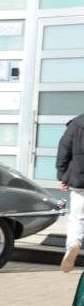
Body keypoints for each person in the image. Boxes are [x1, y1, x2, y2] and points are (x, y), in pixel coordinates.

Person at [57, 112, 84, 272]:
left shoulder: (76, 124)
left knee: (77, 218)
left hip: (79, 181)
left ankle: (73, 244)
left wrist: (62, 175)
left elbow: (64, 150)